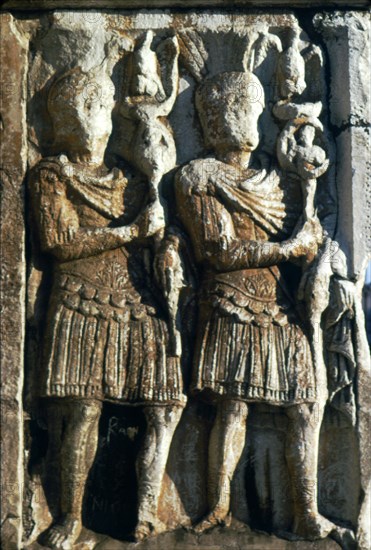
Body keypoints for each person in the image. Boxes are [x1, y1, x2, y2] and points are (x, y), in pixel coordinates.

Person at [174, 70, 337, 540]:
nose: (241, 115)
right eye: (229, 107)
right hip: (229, 299)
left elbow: (309, 235)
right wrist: (289, 248)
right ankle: (218, 506)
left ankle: (307, 510)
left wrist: (307, 200)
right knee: (233, 406)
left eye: (249, 104)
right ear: (209, 121)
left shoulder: (276, 177)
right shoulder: (198, 176)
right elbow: (217, 249)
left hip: (278, 303)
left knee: (305, 404)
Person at [29, 66, 185, 548]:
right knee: (82, 412)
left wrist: (167, 246)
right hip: (79, 302)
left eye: (94, 105)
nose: (86, 115)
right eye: (73, 108)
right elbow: (58, 241)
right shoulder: (52, 174)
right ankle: (70, 516)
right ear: (60, 120)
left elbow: (159, 235)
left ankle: (145, 513)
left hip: (138, 305)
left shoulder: (133, 181)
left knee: (163, 408)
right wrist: (131, 233)